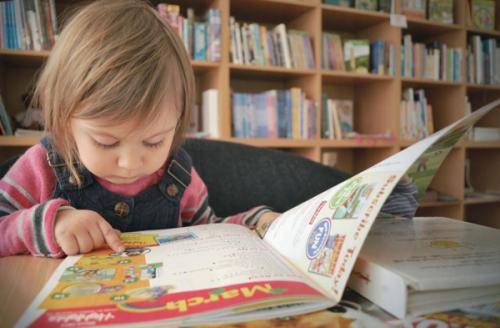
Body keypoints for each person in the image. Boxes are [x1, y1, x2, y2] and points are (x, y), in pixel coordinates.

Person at [0, 0, 279, 257]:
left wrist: (256, 223)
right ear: (64, 119)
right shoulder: (43, 165)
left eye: (154, 142)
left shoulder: (179, 175)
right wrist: (51, 223)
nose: (130, 163)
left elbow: (209, 229)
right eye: (106, 143)